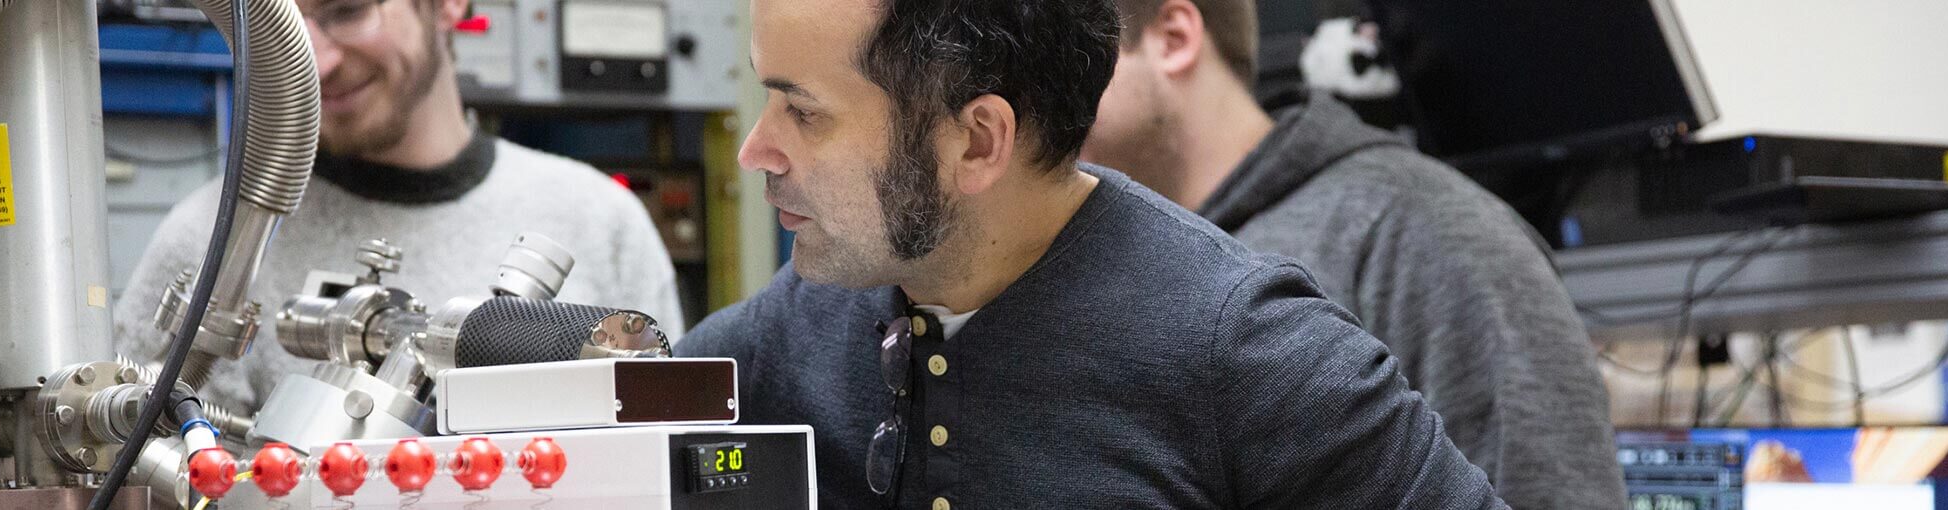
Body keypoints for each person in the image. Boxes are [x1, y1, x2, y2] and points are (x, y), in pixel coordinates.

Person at [675, 0, 1505, 507]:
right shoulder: (787, 335)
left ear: (976, 141)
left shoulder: (1252, 356)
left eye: (803, 111)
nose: (756, 151)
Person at [1078, 1, 1625, 508]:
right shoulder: (1123, 265)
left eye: (1077, 58)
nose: (1045, 101)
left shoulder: (1427, 231)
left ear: (1174, 38)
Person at [113, 0, 682, 413]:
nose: (314, 60)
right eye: (283, 25)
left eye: (347, 11)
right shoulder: (213, 241)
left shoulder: (601, 219)